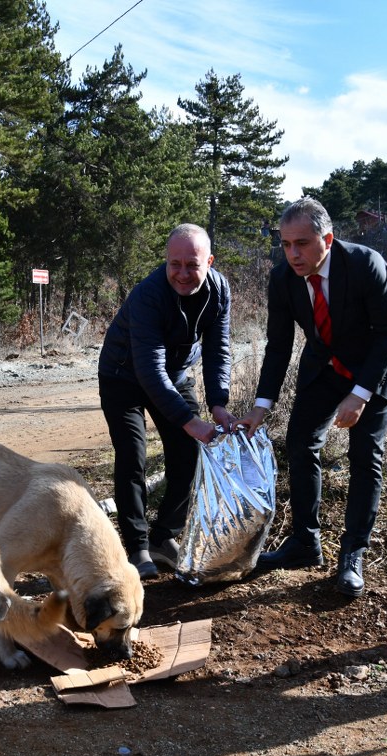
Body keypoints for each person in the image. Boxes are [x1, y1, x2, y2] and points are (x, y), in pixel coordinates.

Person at [235, 197, 387, 597]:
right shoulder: (282, 279)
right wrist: (262, 405)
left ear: (327, 239)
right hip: (324, 365)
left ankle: (352, 554)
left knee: (365, 457)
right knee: (300, 443)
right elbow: (278, 346)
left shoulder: (365, 265)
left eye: (303, 243)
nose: (293, 253)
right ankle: (304, 543)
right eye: (286, 243)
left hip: (373, 367)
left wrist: (360, 395)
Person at [98, 224, 235, 579]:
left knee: (188, 453)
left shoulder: (219, 291)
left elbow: (219, 350)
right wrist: (193, 423)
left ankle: (163, 536)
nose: (183, 274)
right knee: (132, 455)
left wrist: (218, 403)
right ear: (166, 261)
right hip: (123, 375)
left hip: (173, 376)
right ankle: (137, 546)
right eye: (175, 264)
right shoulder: (149, 295)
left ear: (210, 261)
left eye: (192, 265)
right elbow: (149, 369)